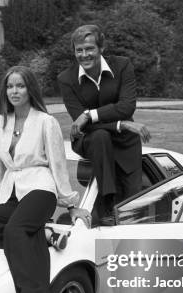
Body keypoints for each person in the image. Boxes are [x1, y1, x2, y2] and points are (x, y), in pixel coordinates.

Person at [0, 66, 91, 293]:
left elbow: (57, 163)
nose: (14, 91)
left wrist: (70, 204)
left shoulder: (45, 121)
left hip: (40, 189)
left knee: (15, 229)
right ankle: (44, 233)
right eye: (10, 86)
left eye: (20, 86)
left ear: (30, 89)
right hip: (12, 193)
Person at [58, 25, 151, 226]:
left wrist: (90, 114)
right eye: (79, 50)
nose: (84, 55)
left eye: (89, 48)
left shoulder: (123, 66)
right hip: (89, 139)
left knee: (131, 207)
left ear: (101, 48)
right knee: (100, 136)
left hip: (125, 143)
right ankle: (107, 202)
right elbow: (80, 124)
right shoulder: (66, 79)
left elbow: (126, 107)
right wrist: (122, 124)